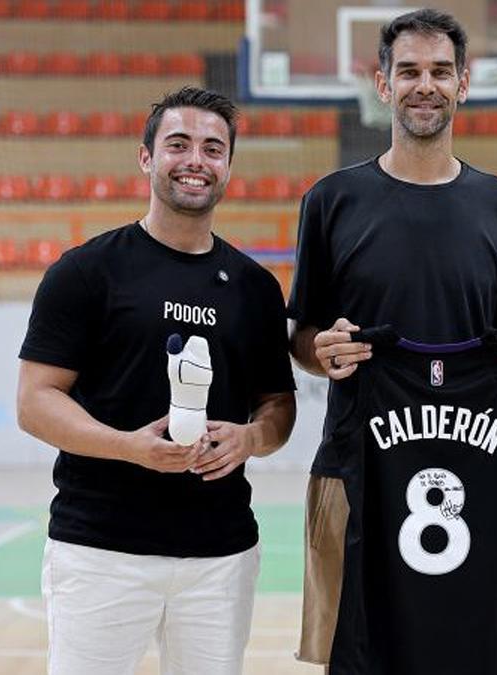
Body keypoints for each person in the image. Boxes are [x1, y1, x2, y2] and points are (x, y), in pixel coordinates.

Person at [286, 8, 497, 670]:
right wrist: (321, 350)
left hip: (475, 473)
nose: (424, 85)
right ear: (382, 84)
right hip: (357, 468)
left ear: (464, 83)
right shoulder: (331, 200)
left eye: (440, 71)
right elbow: (302, 337)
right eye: (408, 71)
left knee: (468, 652)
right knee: (357, 654)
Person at [16, 86, 296, 674]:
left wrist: (250, 438)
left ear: (228, 167)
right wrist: (128, 447)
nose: (196, 160)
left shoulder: (255, 289)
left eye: (213, 149)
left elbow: (278, 406)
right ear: (146, 158)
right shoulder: (86, 271)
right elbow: (35, 402)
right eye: (178, 144)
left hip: (220, 555)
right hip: (100, 550)